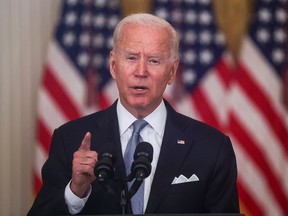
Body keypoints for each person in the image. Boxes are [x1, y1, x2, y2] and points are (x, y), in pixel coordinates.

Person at [27, 13, 239, 215]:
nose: (141, 71)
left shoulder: (212, 147)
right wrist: (75, 192)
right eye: (131, 58)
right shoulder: (70, 139)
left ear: (172, 71)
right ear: (113, 65)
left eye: (154, 60)